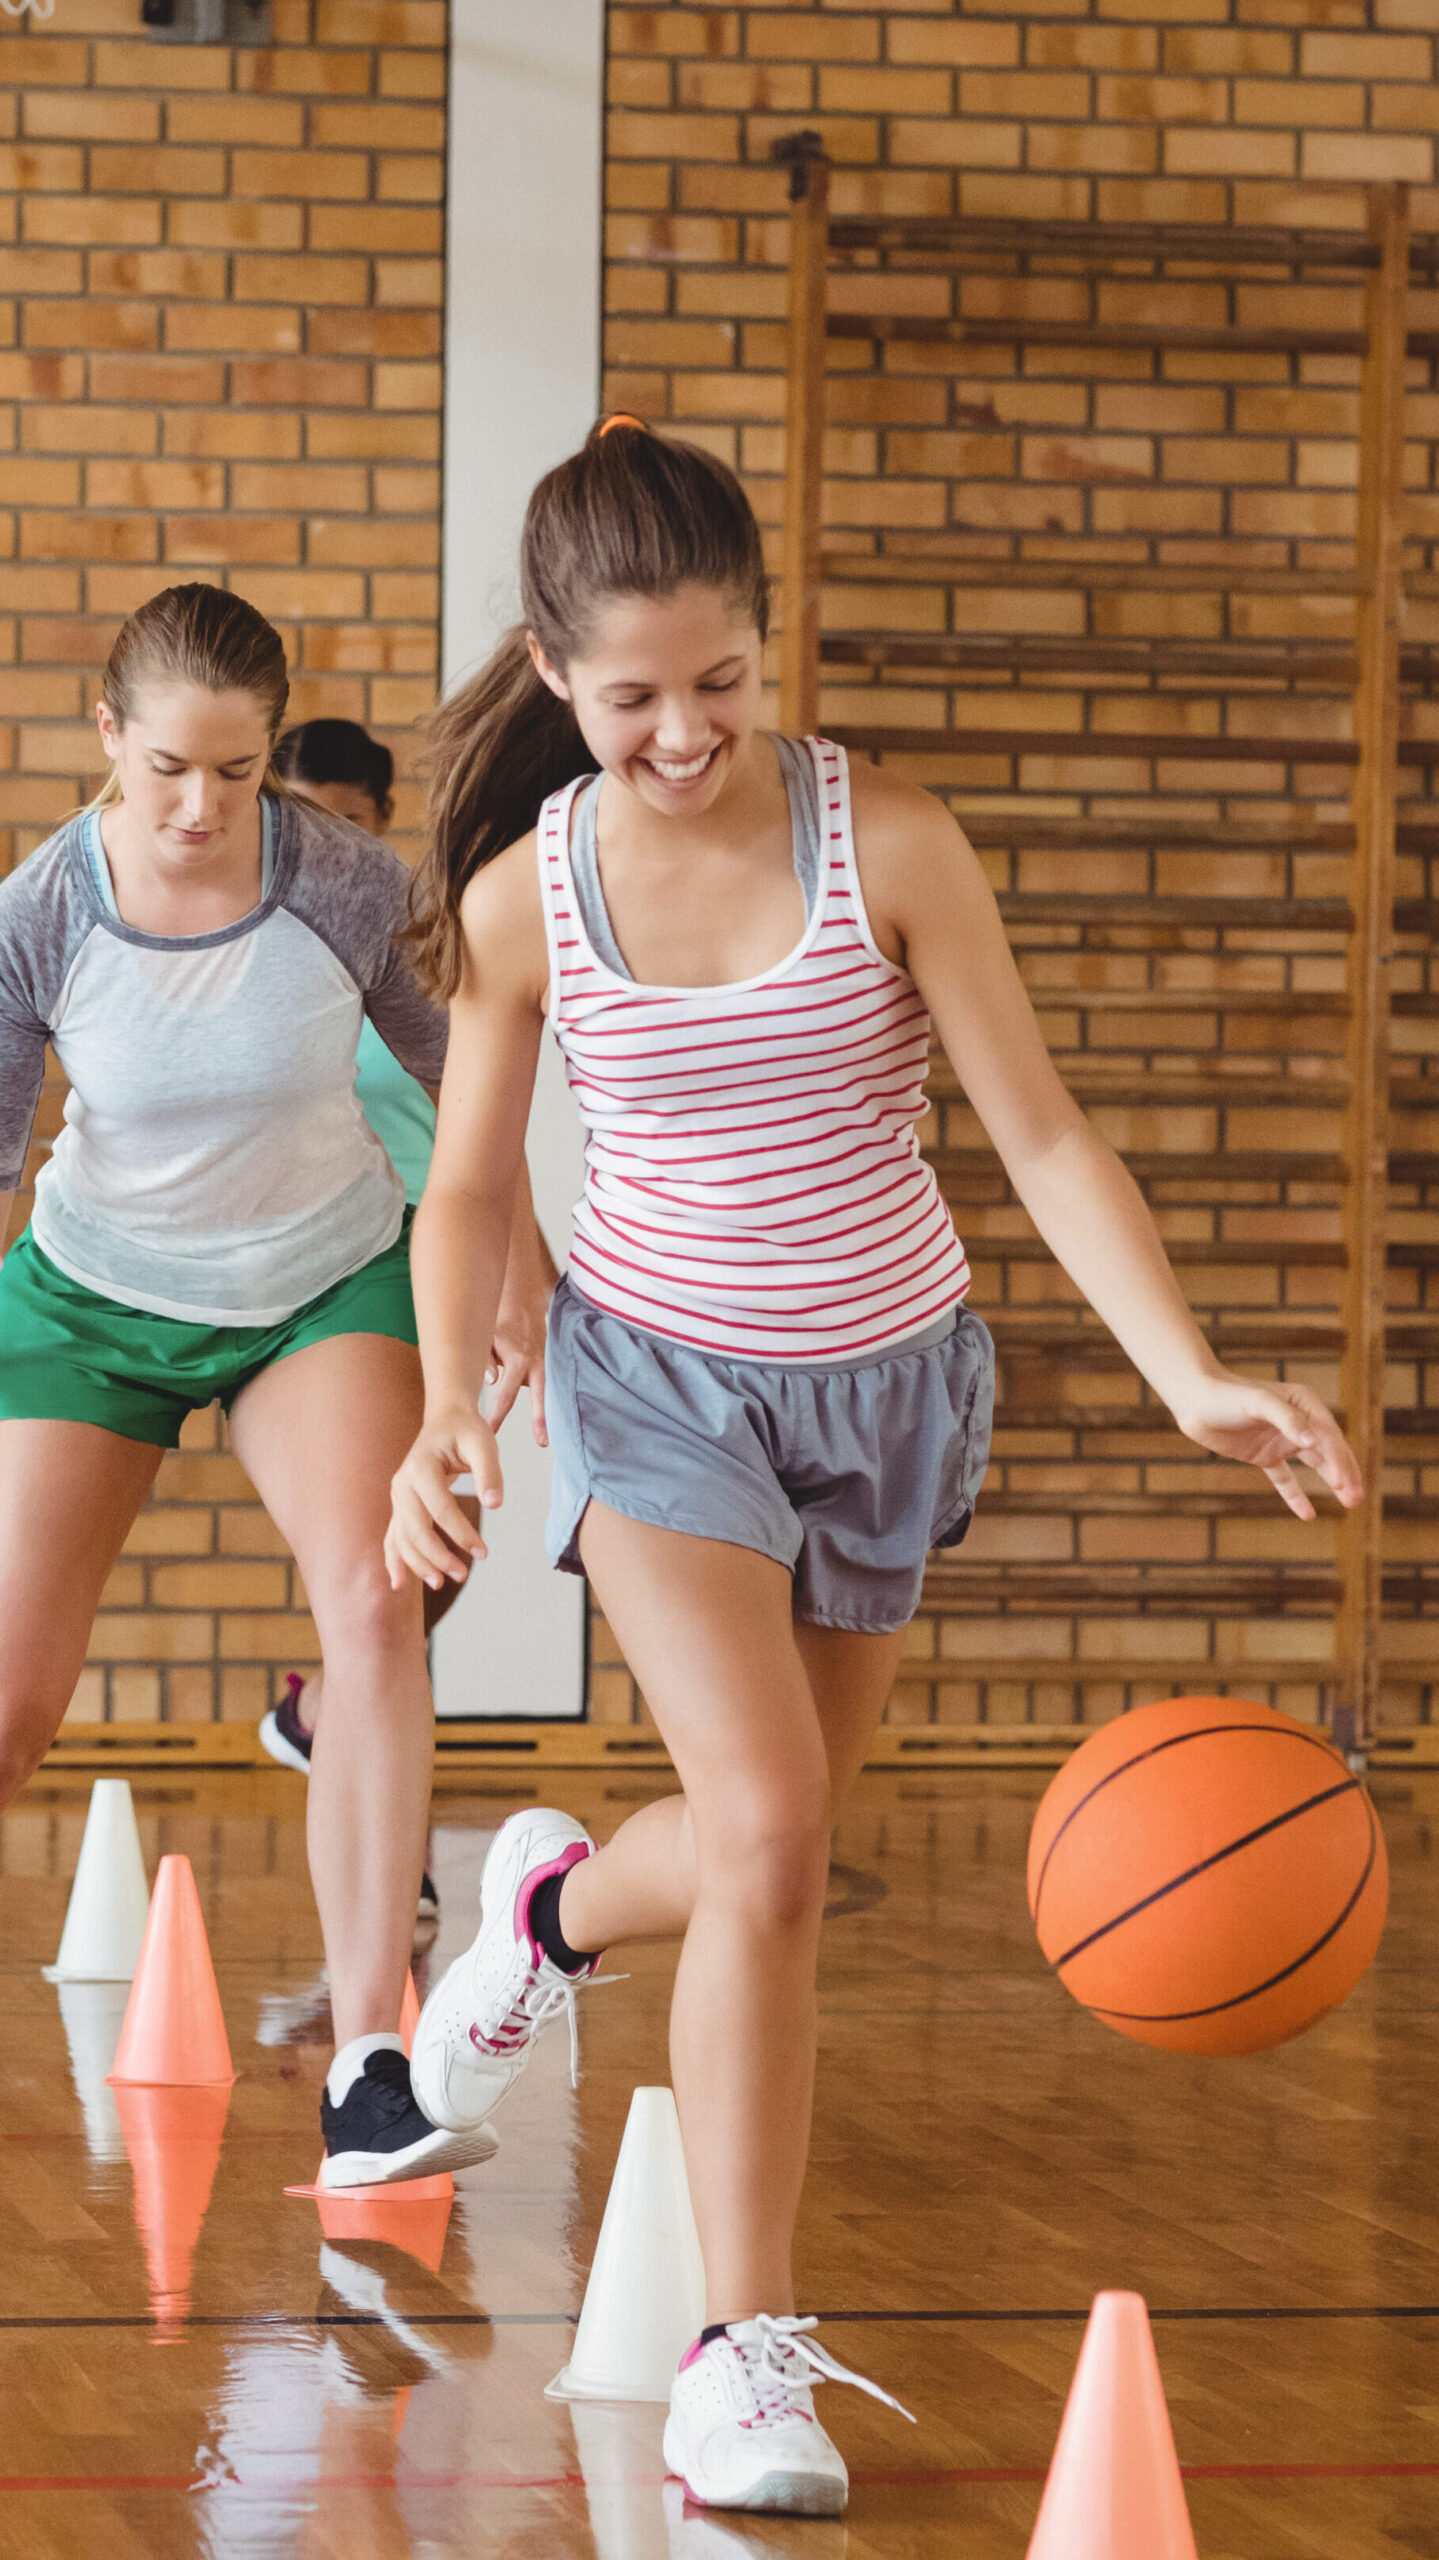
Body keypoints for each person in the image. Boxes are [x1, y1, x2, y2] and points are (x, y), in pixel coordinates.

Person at [383, 424, 1363, 2513]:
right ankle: (740, 2350)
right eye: (631, 694)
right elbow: (465, 1183)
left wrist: (1181, 1367)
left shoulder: (885, 840)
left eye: (719, 679)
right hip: (656, 1389)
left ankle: (542, 1907)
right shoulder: (521, 893)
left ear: (764, 637)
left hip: (889, 1386)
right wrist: (453, 1406)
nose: (681, 729)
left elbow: (1039, 1134)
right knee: (761, 1824)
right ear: (555, 676)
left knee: (779, 1855)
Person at [0, 582, 551, 2189]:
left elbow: (471, 1096)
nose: (198, 805)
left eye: (234, 773)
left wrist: (519, 1279)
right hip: (92, 1296)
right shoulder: (39, 914)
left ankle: (373, 2066)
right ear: (107, 740)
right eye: (166, 767)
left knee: (375, 1611)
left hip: (320, 1282)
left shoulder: (343, 884)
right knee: (15, 1700)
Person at [260, 719, 495, 1929]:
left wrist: (511, 1278)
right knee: (374, 1577)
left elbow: (474, 1115)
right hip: (323, 1269)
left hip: (428, 1252)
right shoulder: (261, 943)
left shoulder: (414, 940)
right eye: (298, 813)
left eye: (344, 816)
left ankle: (320, 1719)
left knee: (433, 1553)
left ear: (381, 815)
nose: (321, 840)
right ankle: (378, 1830)